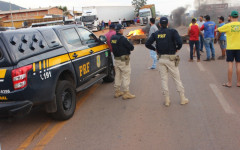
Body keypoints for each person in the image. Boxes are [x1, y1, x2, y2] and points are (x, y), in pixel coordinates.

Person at [145, 17, 189, 107]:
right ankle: (182, 99)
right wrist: (177, 49)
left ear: (160, 24)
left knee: (164, 80)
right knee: (177, 79)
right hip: (171, 59)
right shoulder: (172, 31)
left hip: (161, 59)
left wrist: (155, 49)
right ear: (168, 23)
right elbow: (180, 42)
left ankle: (167, 100)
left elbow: (147, 44)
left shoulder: (156, 34)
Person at [111, 24, 136, 99]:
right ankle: (126, 93)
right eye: (122, 29)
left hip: (116, 59)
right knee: (126, 75)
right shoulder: (123, 38)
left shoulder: (113, 38)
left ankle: (117, 91)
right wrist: (129, 41)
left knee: (118, 75)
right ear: (121, 30)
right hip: (123, 60)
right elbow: (131, 47)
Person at [216, 11, 240, 87]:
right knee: (238, 64)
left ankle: (229, 83)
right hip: (239, 47)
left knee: (230, 64)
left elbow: (217, 30)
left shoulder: (228, 25)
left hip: (230, 48)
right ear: (238, 17)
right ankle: (238, 83)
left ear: (231, 17)